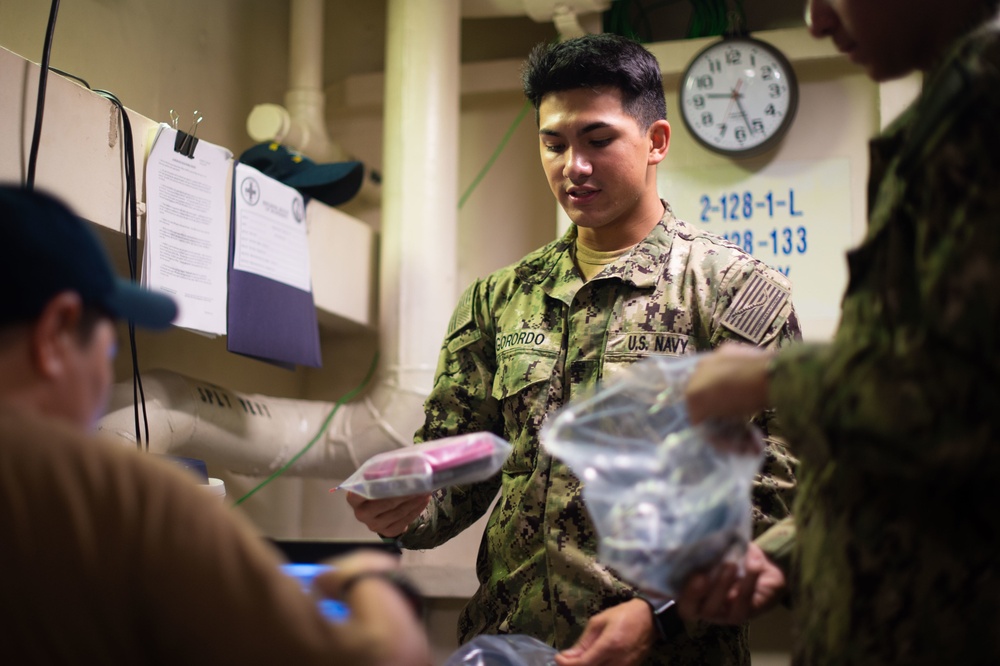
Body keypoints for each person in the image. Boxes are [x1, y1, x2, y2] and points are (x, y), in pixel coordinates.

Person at [348, 33, 800, 666]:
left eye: (598, 140)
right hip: (511, 642)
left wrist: (659, 616)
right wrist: (405, 508)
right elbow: (458, 472)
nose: (573, 167)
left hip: (667, 650)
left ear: (656, 142)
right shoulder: (498, 299)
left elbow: (779, 493)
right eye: (553, 143)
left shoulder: (730, 290)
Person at [678, 1, 1000, 663]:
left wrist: (769, 378)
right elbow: (917, 467)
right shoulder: (950, 102)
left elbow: (959, 399)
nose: (817, 21)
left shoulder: (983, 93)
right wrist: (794, 553)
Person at [0, 185, 430, 666]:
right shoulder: (115, 498)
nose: (106, 378)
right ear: (57, 331)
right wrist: (367, 581)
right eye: (108, 349)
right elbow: (380, 660)